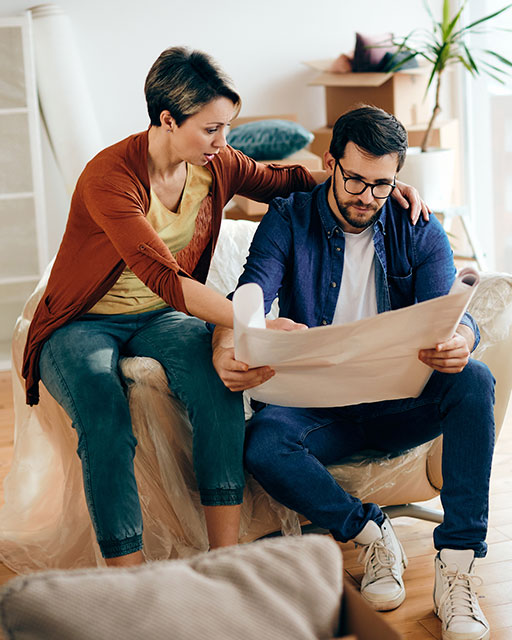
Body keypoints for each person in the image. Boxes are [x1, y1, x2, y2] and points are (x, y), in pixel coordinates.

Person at [22, 47, 425, 568]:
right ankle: (128, 577)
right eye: (212, 129)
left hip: (158, 318)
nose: (223, 142)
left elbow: (291, 182)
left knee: (219, 388)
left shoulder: (216, 166)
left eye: (228, 128)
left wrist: (381, 187)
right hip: (82, 321)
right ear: (167, 120)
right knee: (104, 414)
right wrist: (251, 323)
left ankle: (224, 562)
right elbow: (164, 278)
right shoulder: (110, 178)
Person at [212, 106, 495, 640]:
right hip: (318, 410)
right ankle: (368, 529)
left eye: (382, 184)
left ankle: (457, 567)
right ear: (330, 163)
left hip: (397, 402)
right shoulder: (289, 218)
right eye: (355, 179)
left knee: (474, 378)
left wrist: (460, 341)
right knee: (263, 445)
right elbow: (250, 292)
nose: (366, 196)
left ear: (398, 179)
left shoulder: (417, 225)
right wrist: (237, 336)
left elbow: (449, 314)